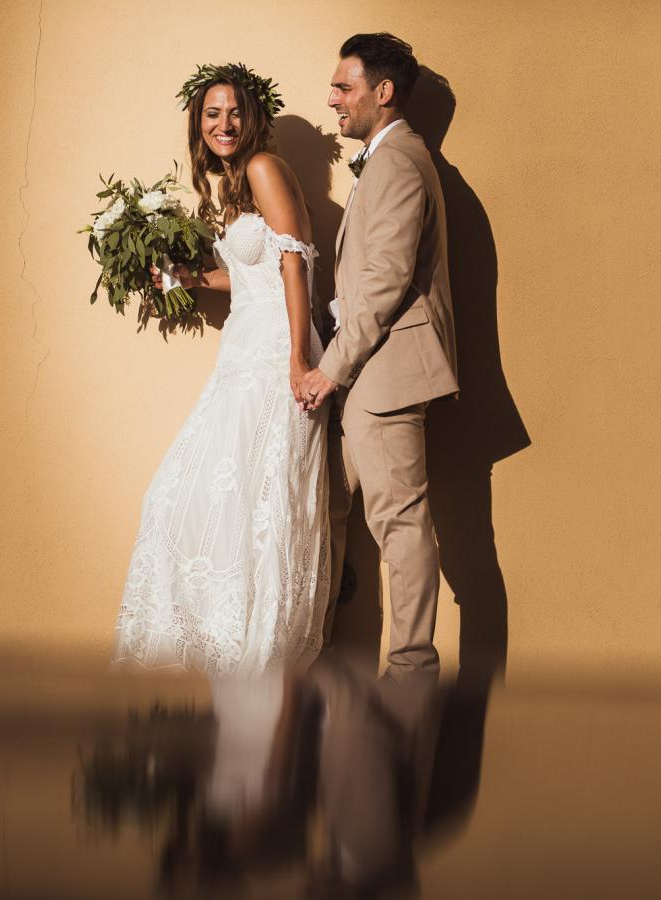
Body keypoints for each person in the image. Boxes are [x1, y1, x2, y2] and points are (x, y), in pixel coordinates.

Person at [111, 63, 330, 676]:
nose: (224, 124)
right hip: (244, 347)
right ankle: (228, 650)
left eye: (234, 112)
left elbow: (294, 263)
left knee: (252, 501)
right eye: (212, 114)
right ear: (198, 122)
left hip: (272, 353)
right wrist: (187, 278)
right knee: (214, 500)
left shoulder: (262, 167)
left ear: (253, 117)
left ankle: (255, 653)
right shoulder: (233, 184)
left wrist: (295, 357)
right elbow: (253, 277)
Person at [298, 33, 458, 681]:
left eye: (344, 86)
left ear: (382, 93)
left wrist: (328, 371)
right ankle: (315, 650)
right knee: (328, 509)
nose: (332, 98)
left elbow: (386, 280)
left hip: (387, 377)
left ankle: (411, 671)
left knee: (400, 524)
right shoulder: (384, 159)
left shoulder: (397, 162)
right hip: (366, 375)